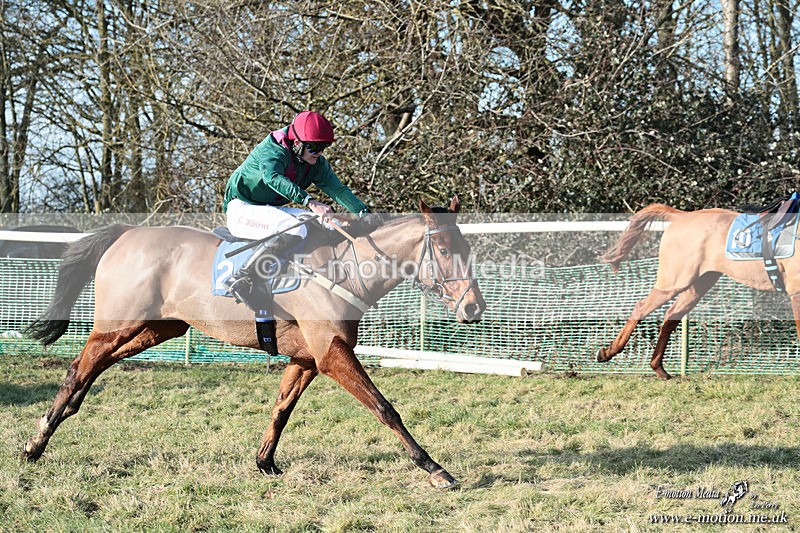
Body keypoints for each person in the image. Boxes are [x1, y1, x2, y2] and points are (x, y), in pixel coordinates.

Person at [221, 111, 369, 352]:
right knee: (298, 229)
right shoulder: (273, 150)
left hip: (267, 208)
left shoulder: (315, 163)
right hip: (242, 208)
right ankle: (243, 278)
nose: (319, 153)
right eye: (314, 147)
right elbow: (273, 178)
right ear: (297, 142)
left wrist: (365, 213)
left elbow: (337, 190)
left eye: (323, 148)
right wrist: (310, 201)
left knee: (319, 223)